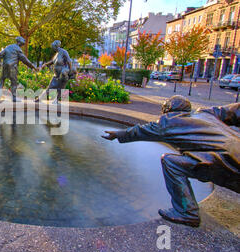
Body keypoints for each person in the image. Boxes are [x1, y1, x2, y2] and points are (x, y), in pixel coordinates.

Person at [102, 95, 240, 227]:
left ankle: (187, 212)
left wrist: (117, 134)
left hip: (225, 161)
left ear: (168, 109)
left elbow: (140, 131)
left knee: (170, 162)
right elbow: (234, 110)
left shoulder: (167, 122)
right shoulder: (207, 114)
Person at [0, 36, 37, 102]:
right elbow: (25, 60)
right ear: (20, 43)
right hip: (12, 67)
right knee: (13, 82)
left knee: (2, 80)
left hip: (5, 66)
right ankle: (14, 98)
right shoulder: (18, 49)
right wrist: (33, 67)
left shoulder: (8, 47)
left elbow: (0, 55)